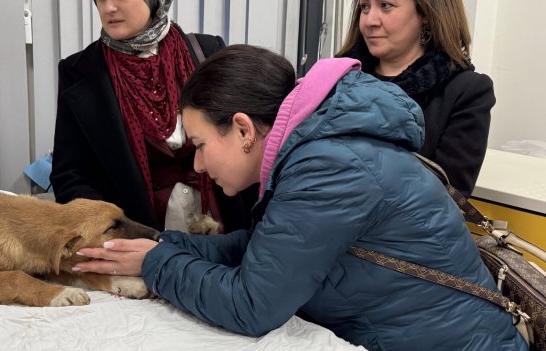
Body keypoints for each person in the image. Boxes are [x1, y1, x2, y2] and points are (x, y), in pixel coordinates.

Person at [71, 45, 527, 350]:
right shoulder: (319, 152)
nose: (198, 167)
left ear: (245, 130)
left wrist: (155, 265)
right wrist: (162, 247)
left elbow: (252, 305)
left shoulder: (329, 168)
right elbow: (261, 251)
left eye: (201, 145)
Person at [50, 0, 256, 233]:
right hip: (140, 238)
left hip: (225, 230)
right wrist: (108, 235)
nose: (108, 8)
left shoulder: (207, 52)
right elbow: (71, 174)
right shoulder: (80, 72)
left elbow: (249, 144)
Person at [336, 0, 495, 196]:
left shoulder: (466, 91)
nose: (370, 20)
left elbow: (445, 197)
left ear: (426, 14)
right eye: (364, 7)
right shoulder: (335, 77)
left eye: (386, 6)